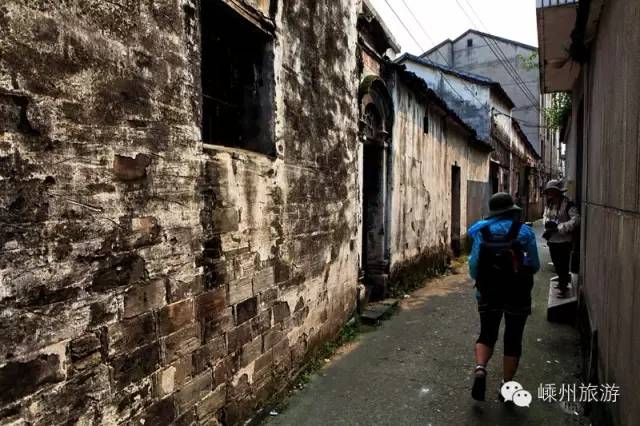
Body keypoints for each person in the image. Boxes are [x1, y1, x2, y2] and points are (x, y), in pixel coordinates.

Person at [467, 192, 540, 401]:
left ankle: (480, 368)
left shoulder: (482, 231)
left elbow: (473, 266)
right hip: (518, 293)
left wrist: (485, 281)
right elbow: (535, 265)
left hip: (488, 293)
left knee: (487, 334)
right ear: (511, 211)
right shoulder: (524, 231)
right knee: (513, 339)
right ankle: (506, 385)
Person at [542, 179, 580, 297]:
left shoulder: (568, 204)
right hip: (552, 240)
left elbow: (576, 220)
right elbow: (545, 216)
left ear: (558, 192)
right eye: (549, 191)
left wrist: (559, 227)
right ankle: (561, 282)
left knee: (563, 264)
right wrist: (547, 226)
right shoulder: (550, 204)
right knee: (556, 264)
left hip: (564, 241)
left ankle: (563, 288)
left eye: (552, 191)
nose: (550, 194)